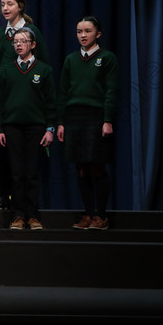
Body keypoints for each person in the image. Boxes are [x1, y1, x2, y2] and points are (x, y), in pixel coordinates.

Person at [0, 0, 50, 211]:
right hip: (3, 98)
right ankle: (4, 196)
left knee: (26, 161)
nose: (5, 8)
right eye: (2, 4)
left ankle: (26, 204)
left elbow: (42, 64)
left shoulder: (32, 32)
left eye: (10, 4)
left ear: (20, 6)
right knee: (3, 151)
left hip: (25, 101)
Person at [56, 16, 119, 231]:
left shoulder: (107, 58)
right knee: (81, 168)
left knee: (96, 165)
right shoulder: (71, 60)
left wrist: (107, 120)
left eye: (88, 31)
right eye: (79, 31)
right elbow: (63, 92)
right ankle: (88, 213)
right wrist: (61, 122)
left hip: (96, 116)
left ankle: (101, 216)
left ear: (98, 34)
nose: (83, 35)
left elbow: (111, 91)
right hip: (74, 117)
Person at [0, 28, 56, 230]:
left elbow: (51, 103)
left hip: (35, 128)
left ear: (33, 44)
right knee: (16, 173)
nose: (18, 45)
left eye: (23, 41)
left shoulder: (44, 70)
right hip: (12, 128)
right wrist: (0, 128)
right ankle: (18, 215)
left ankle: (33, 215)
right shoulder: (6, 70)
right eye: (15, 42)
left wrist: (50, 129)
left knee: (31, 173)